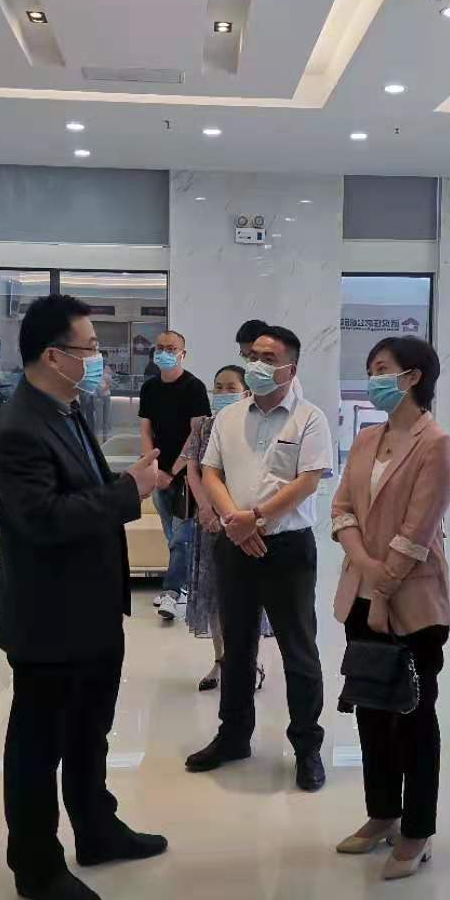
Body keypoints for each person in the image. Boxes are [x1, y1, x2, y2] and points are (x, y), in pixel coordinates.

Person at [0, 294, 167, 900]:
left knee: (91, 731)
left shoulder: (65, 410)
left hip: (92, 608)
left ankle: (96, 829)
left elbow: (81, 492)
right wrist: (129, 490)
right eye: (88, 349)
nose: (97, 359)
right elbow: (43, 520)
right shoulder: (18, 428)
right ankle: (36, 866)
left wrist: (125, 482)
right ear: (52, 355)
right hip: (49, 617)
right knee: (38, 747)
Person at [184, 326, 334, 792]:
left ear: (291, 368)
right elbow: (210, 471)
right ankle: (233, 736)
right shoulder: (229, 417)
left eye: (269, 358)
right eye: (254, 355)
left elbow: (308, 481)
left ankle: (306, 746)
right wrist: (235, 521)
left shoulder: (309, 419)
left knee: (298, 650)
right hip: (235, 545)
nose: (257, 364)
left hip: (287, 548)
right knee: (237, 647)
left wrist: (256, 520)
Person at [331, 336, 450, 881]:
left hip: (414, 602)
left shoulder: (437, 444)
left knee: (412, 715)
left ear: (412, 377)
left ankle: (417, 829)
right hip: (361, 594)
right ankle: (382, 812)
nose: (373, 378)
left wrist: (382, 590)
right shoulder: (367, 438)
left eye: (381, 368)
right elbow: (341, 508)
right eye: (370, 369)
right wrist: (364, 564)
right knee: (370, 709)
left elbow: (417, 532)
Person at [179, 363, 271, 692]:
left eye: (230, 387)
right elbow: (193, 470)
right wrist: (206, 508)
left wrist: (237, 515)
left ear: (246, 392)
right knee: (215, 595)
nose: (222, 393)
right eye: (218, 387)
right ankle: (221, 660)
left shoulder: (257, 426)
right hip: (209, 524)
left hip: (244, 522)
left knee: (247, 596)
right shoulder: (203, 426)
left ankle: (250, 662)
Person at [139, 329, 210, 621]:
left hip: (187, 475)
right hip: (159, 474)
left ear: (183, 353)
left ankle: (171, 591)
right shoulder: (149, 388)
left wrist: (173, 471)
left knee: (182, 536)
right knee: (172, 535)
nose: (164, 352)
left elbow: (197, 434)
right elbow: (145, 430)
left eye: (171, 348)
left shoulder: (194, 387)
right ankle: (184, 585)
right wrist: (154, 468)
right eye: (160, 347)